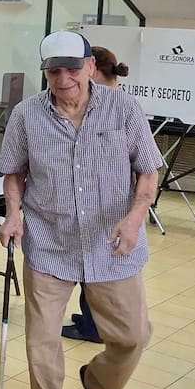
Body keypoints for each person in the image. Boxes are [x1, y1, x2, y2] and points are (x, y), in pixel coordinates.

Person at [0, 30, 162, 389]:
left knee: (132, 337)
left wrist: (134, 219)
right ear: (46, 72)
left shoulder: (124, 109)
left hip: (114, 244)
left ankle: (98, 383)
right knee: (42, 339)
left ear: (91, 66)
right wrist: (14, 214)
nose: (64, 77)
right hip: (50, 242)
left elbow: (148, 172)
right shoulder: (26, 115)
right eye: (55, 70)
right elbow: (13, 172)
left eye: (73, 67)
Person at [62, 46, 129, 344]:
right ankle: (90, 319)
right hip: (81, 215)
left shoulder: (116, 106)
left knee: (97, 269)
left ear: (93, 70)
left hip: (104, 213)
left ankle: (93, 326)